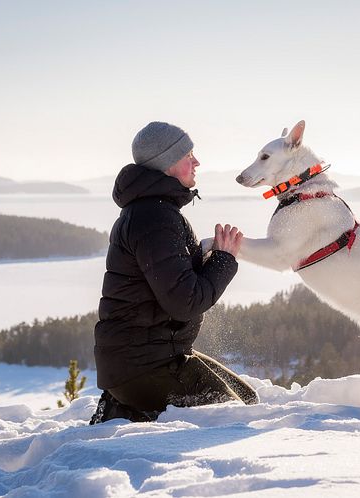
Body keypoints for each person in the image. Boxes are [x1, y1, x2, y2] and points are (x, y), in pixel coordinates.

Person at [90, 122, 258, 424]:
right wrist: (223, 260)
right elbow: (185, 301)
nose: (196, 162)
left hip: (152, 357)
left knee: (247, 399)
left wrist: (204, 254)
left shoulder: (153, 211)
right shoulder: (154, 217)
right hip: (142, 366)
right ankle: (126, 410)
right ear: (166, 163)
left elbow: (172, 281)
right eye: (188, 154)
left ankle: (128, 407)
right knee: (232, 419)